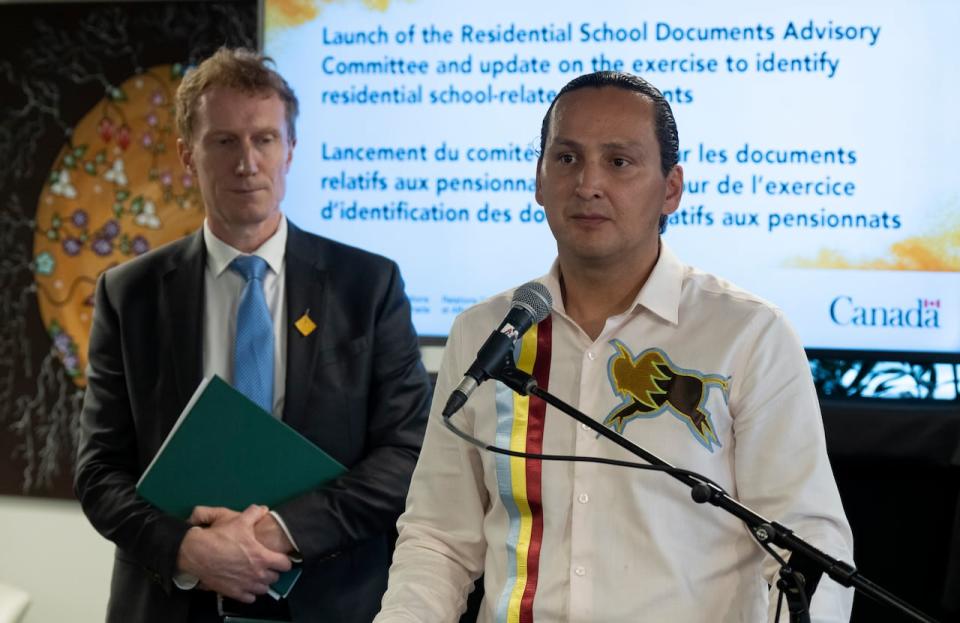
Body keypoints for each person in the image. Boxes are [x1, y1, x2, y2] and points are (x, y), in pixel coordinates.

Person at [374, 71, 854, 622]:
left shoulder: (748, 335)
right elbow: (438, 538)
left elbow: (809, 549)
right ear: (538, 179)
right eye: (567, 159)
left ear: (671, 187)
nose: (587, 184)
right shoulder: (489, 333)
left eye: (619, 162)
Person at [75, 47, 431, 623]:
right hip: (173, 602)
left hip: (329, 598)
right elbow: (99, 471)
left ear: (290, 150)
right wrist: (187, 548)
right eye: (224, 141)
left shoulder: (368, 286)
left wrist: (277, 532)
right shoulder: (130, 294)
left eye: (264, 139)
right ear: (187, 155)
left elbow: (407, 452)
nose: (247, 162)